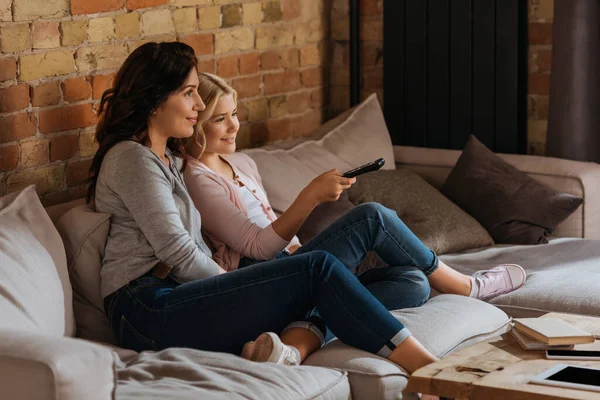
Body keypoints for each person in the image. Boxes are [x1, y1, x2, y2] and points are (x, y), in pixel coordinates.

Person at [89, 41, 453, 376]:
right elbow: (176, 250)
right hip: (147, 309)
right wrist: (240, 286)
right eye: (188, 94)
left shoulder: (166, 157)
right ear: (155, 100)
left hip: (177, 296)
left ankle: (297, 342)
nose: (198, 106)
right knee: (318, 268)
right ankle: (429, 371)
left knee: (405, 281)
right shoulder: (132, 159)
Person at [183, 72, 527, 348]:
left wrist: (303, 249)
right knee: (371, 216)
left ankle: (307, 329)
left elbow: (272, 224)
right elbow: (257, 247)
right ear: (197, 125)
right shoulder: (197, 179)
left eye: (235, 115)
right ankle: (466, 286)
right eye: (220, 119)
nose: (234, 126)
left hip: (292, 261)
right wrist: (310, 196)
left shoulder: (242, 162)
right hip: (258, 275)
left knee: (413, 283)